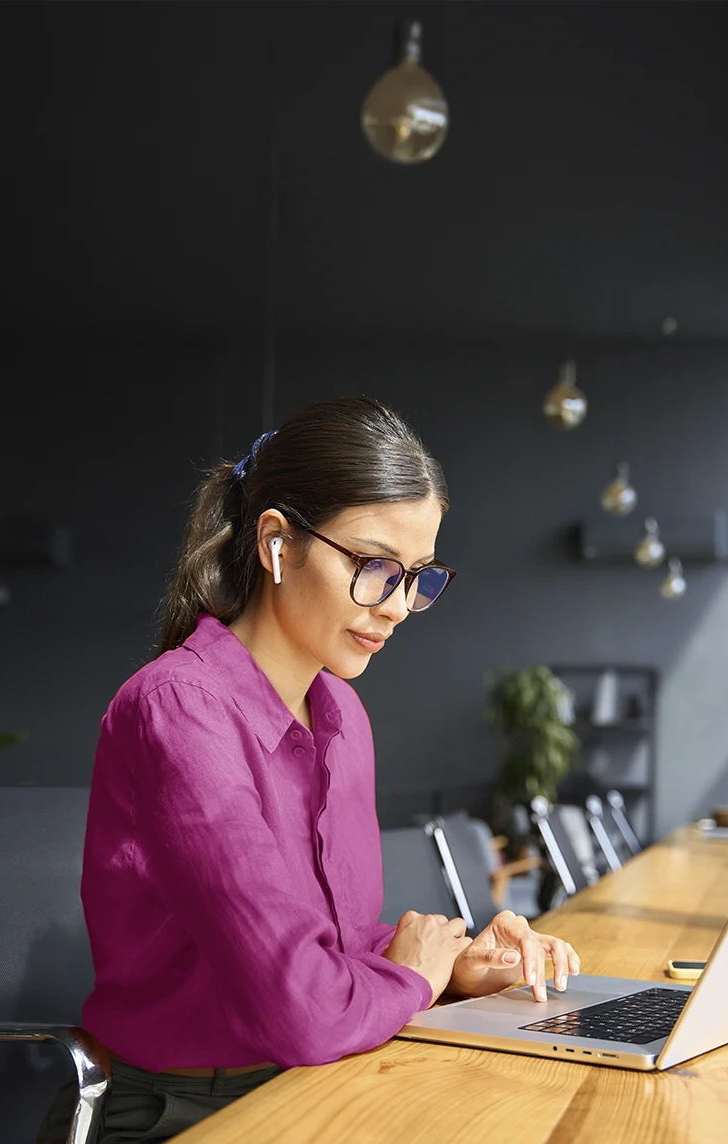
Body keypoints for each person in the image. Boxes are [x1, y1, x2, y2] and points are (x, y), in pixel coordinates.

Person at [36, 396, 580, 1143]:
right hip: (185, 1113)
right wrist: (414, 977)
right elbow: (301, 1008)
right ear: (278, 544)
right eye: (373, 566)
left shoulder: (341, 716)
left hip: (320, 1085)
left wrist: (452, 967)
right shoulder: (179, 710)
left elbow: (328, 948)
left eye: (417, 576)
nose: (396, 607)